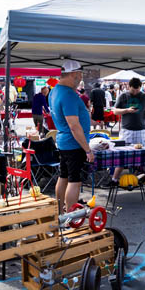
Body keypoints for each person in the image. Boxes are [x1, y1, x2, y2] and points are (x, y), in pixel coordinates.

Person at [49, 60, 94, 214]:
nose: (81, 78)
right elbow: (74, 126)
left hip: (63, 141)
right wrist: (87, 150)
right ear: (74, 74)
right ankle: (70, 215)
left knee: (64, 176)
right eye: (80, 75)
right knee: (74, 180)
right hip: (73, 144)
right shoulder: (68, 94)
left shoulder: (55, 91)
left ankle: (61, 212)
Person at [108, 77, 145, 185]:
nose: (135, 92)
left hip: (140, 130)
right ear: (129, 87)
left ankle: (136, 178)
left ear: (140, 87)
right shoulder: (123, 96)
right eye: (133, 90)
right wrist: (127, 110)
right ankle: (114, 179)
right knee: (122, 155)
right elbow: (115, 111)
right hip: (126, 130)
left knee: (140, 156)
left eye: (137, 90)